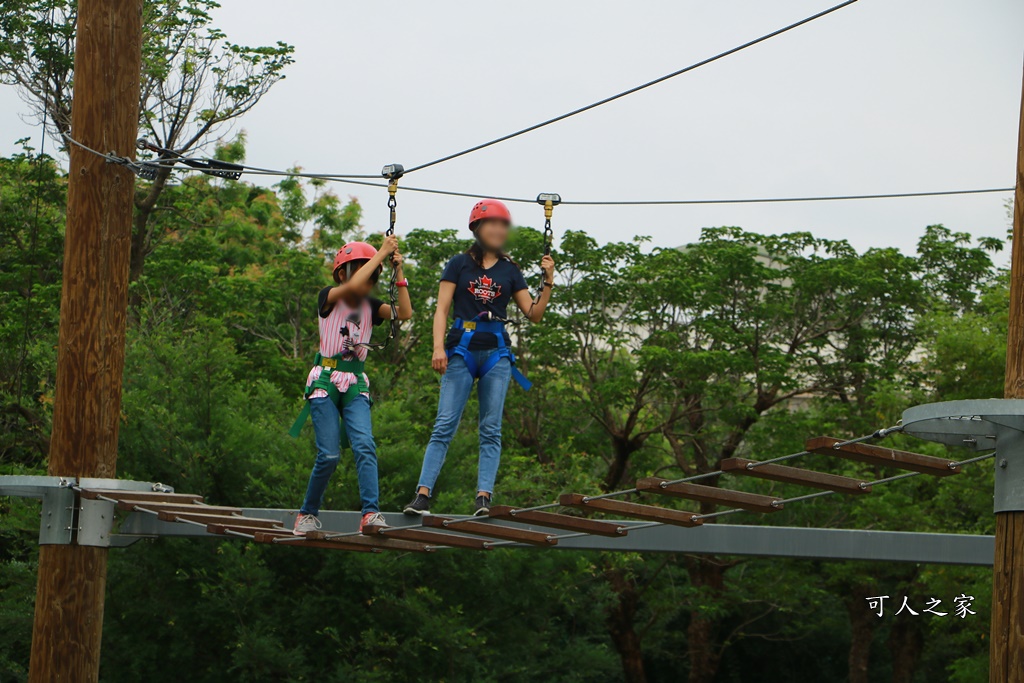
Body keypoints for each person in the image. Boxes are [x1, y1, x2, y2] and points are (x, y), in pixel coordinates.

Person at [404, 199, 555, 517]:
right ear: (477, 228)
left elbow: (534, 313)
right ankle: (422, 496)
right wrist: (437, 347)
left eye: (503, 225)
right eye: (493, 224)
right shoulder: (459, 264)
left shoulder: (510, 270)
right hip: (461, 349)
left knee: (491, 429)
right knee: (444, 425)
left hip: (496, 353)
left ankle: (483, 497)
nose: (499, 230)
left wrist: (548, 280)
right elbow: (442, 308)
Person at [291, 236, 413, 535]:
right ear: (343, 273)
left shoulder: (371, 304)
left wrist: (398, 272)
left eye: (370, 274)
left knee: (365, 446)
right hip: (325, 380)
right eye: (359, 271)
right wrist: (382, 253)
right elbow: (353, 288)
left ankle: (371, 513)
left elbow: (405, 313)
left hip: (356, 381)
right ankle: (307, 513)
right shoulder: (330, 296)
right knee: (330, 455)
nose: (366, 280)